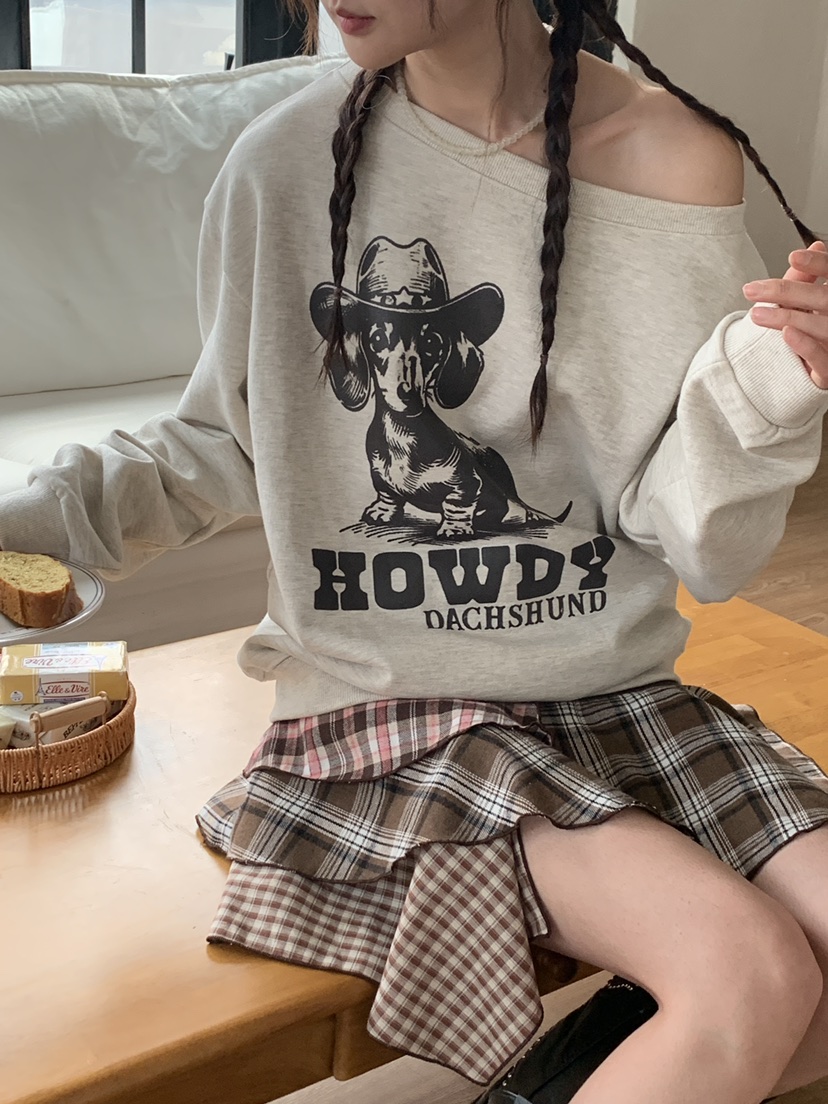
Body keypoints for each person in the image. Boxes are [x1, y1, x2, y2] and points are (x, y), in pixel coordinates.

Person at [2, 1, 828, 1101]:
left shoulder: (675, 161)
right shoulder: (283, 164)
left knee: (784, 978)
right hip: (388, 713)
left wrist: (781, 379)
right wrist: (23, 529)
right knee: (750, 971)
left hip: (618, 693)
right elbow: (221, 442)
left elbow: (689, 535)